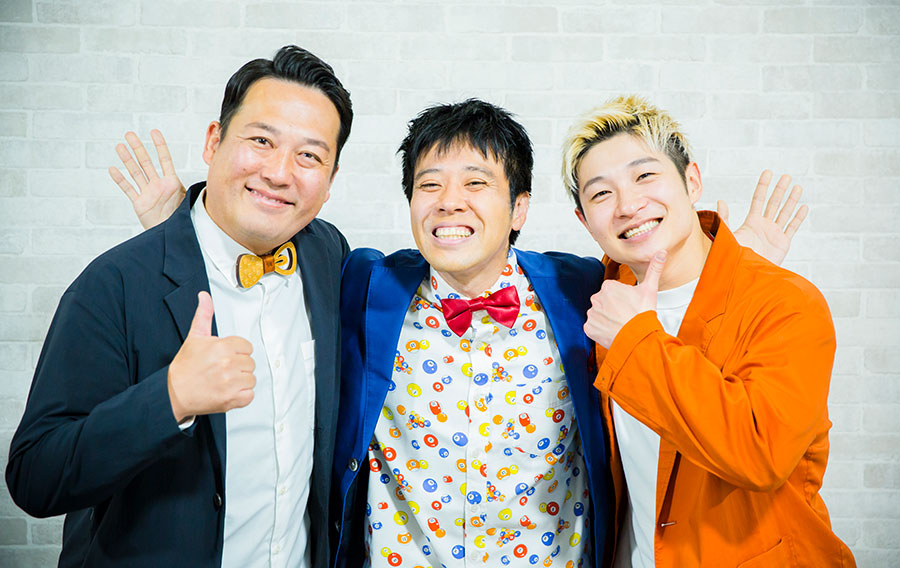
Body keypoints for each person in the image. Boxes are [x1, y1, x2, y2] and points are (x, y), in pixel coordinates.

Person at [105, 99, 803, 567]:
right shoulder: (368, 285)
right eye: (429, 185)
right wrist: (184, 232)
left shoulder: (583, 291)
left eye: (476, 183)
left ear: (519, 207)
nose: (449, 204)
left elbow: (669, 307)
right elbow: (272, 265)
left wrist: (731, 268)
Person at [6, 45, 353, 568]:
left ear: (329, 182)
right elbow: (36, 476)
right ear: (214, 141)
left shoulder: (327, 254)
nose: (280, 173)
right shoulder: (115, 284)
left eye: (309, 156)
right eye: (261, 141)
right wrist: (170, 397)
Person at [562, 95, 855, 567]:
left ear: (692, 181)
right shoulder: (601, 298)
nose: (628, 205)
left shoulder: (788, 303)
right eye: (600, 194)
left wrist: (638, 338)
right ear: (584, 220)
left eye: (645, 176)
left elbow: (759, 453)